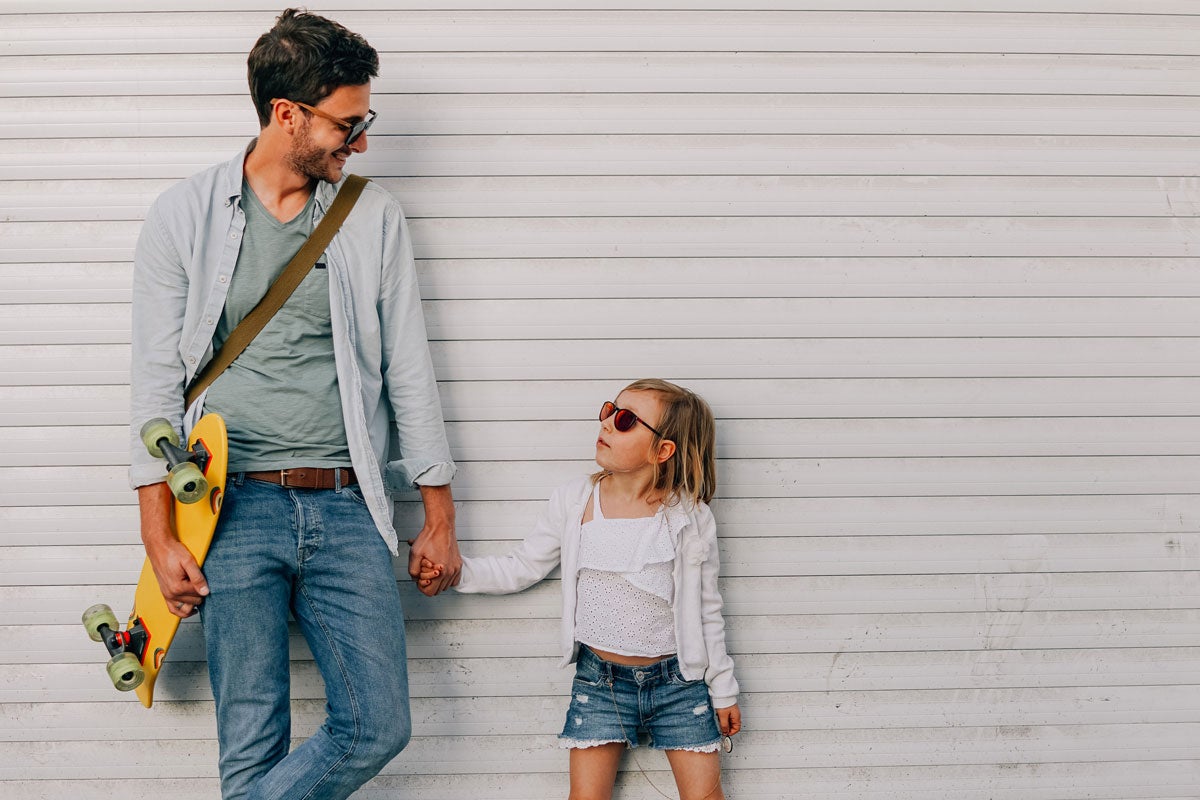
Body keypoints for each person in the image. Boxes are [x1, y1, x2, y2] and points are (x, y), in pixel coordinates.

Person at [127, 9, 461, 798]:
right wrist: (156, 534)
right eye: (350, 123)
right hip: (226, 510)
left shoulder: (372, 218)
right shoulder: (184, 216)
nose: (363, 140)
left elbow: (409, 368)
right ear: (288, 114)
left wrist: (439, 519)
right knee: (250, 744)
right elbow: (152, 386)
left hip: (347, 507)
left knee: (377, 725)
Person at [423, 379, 742, 800]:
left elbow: (707, 610)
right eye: (609, 409)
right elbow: (523, 565)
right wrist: (457, 573)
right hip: (599, 682)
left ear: (662, 451)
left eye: (626, 420)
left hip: (679, 685)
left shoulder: (688, 516)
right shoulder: (575, 501)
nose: (608, 422)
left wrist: (723, 688)